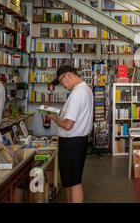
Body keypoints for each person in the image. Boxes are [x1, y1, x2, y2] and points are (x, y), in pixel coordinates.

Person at [47, 66, 93, 203]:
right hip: (78, 141)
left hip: (72, 142)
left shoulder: (77, 93)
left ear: (68, 76)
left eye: (61, 82)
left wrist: (54, 118)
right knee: (71, 181)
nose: (63, 85)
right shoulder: (84, 89)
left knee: (73, 182)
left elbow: (68, 125)